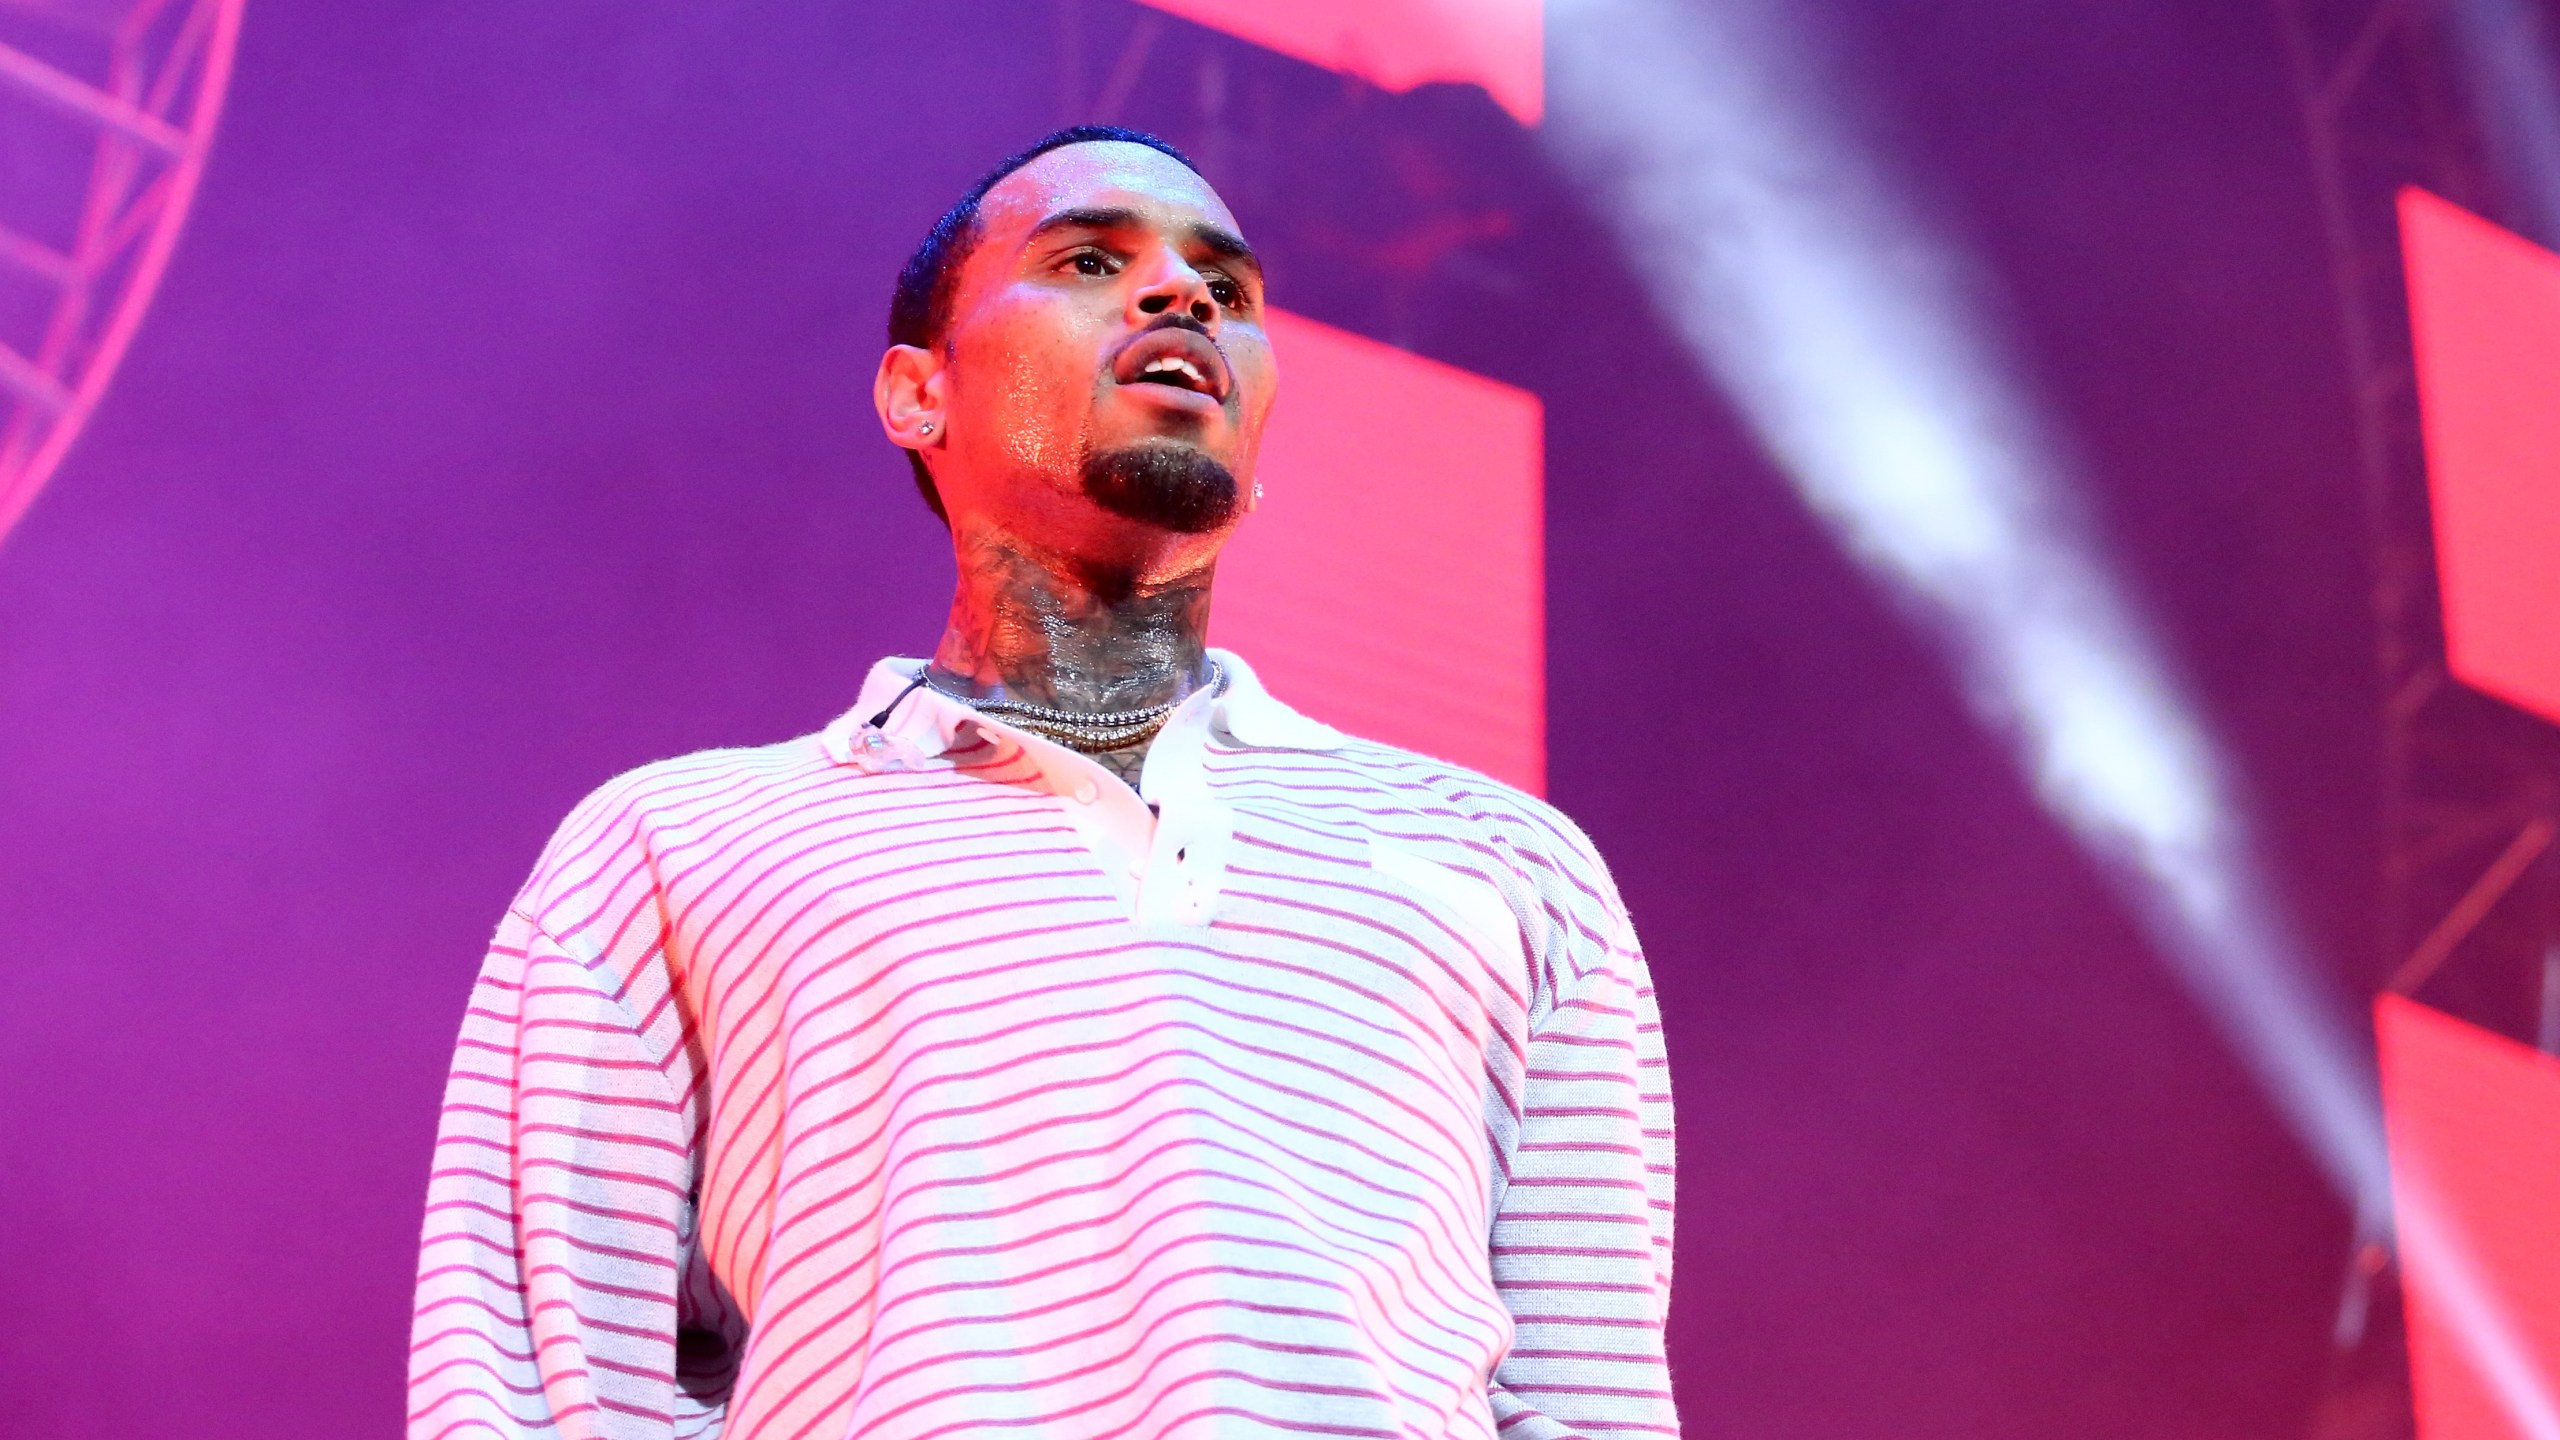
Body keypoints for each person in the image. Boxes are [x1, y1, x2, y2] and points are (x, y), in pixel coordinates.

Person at [408, 124, 1676, 1440]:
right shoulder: (669, 853)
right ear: (917, 394)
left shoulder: (1507, 862)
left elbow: (1590, 1407)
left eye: (1228, 290)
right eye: (1088, 258)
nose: (1184, 295)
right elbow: (541, 1397)